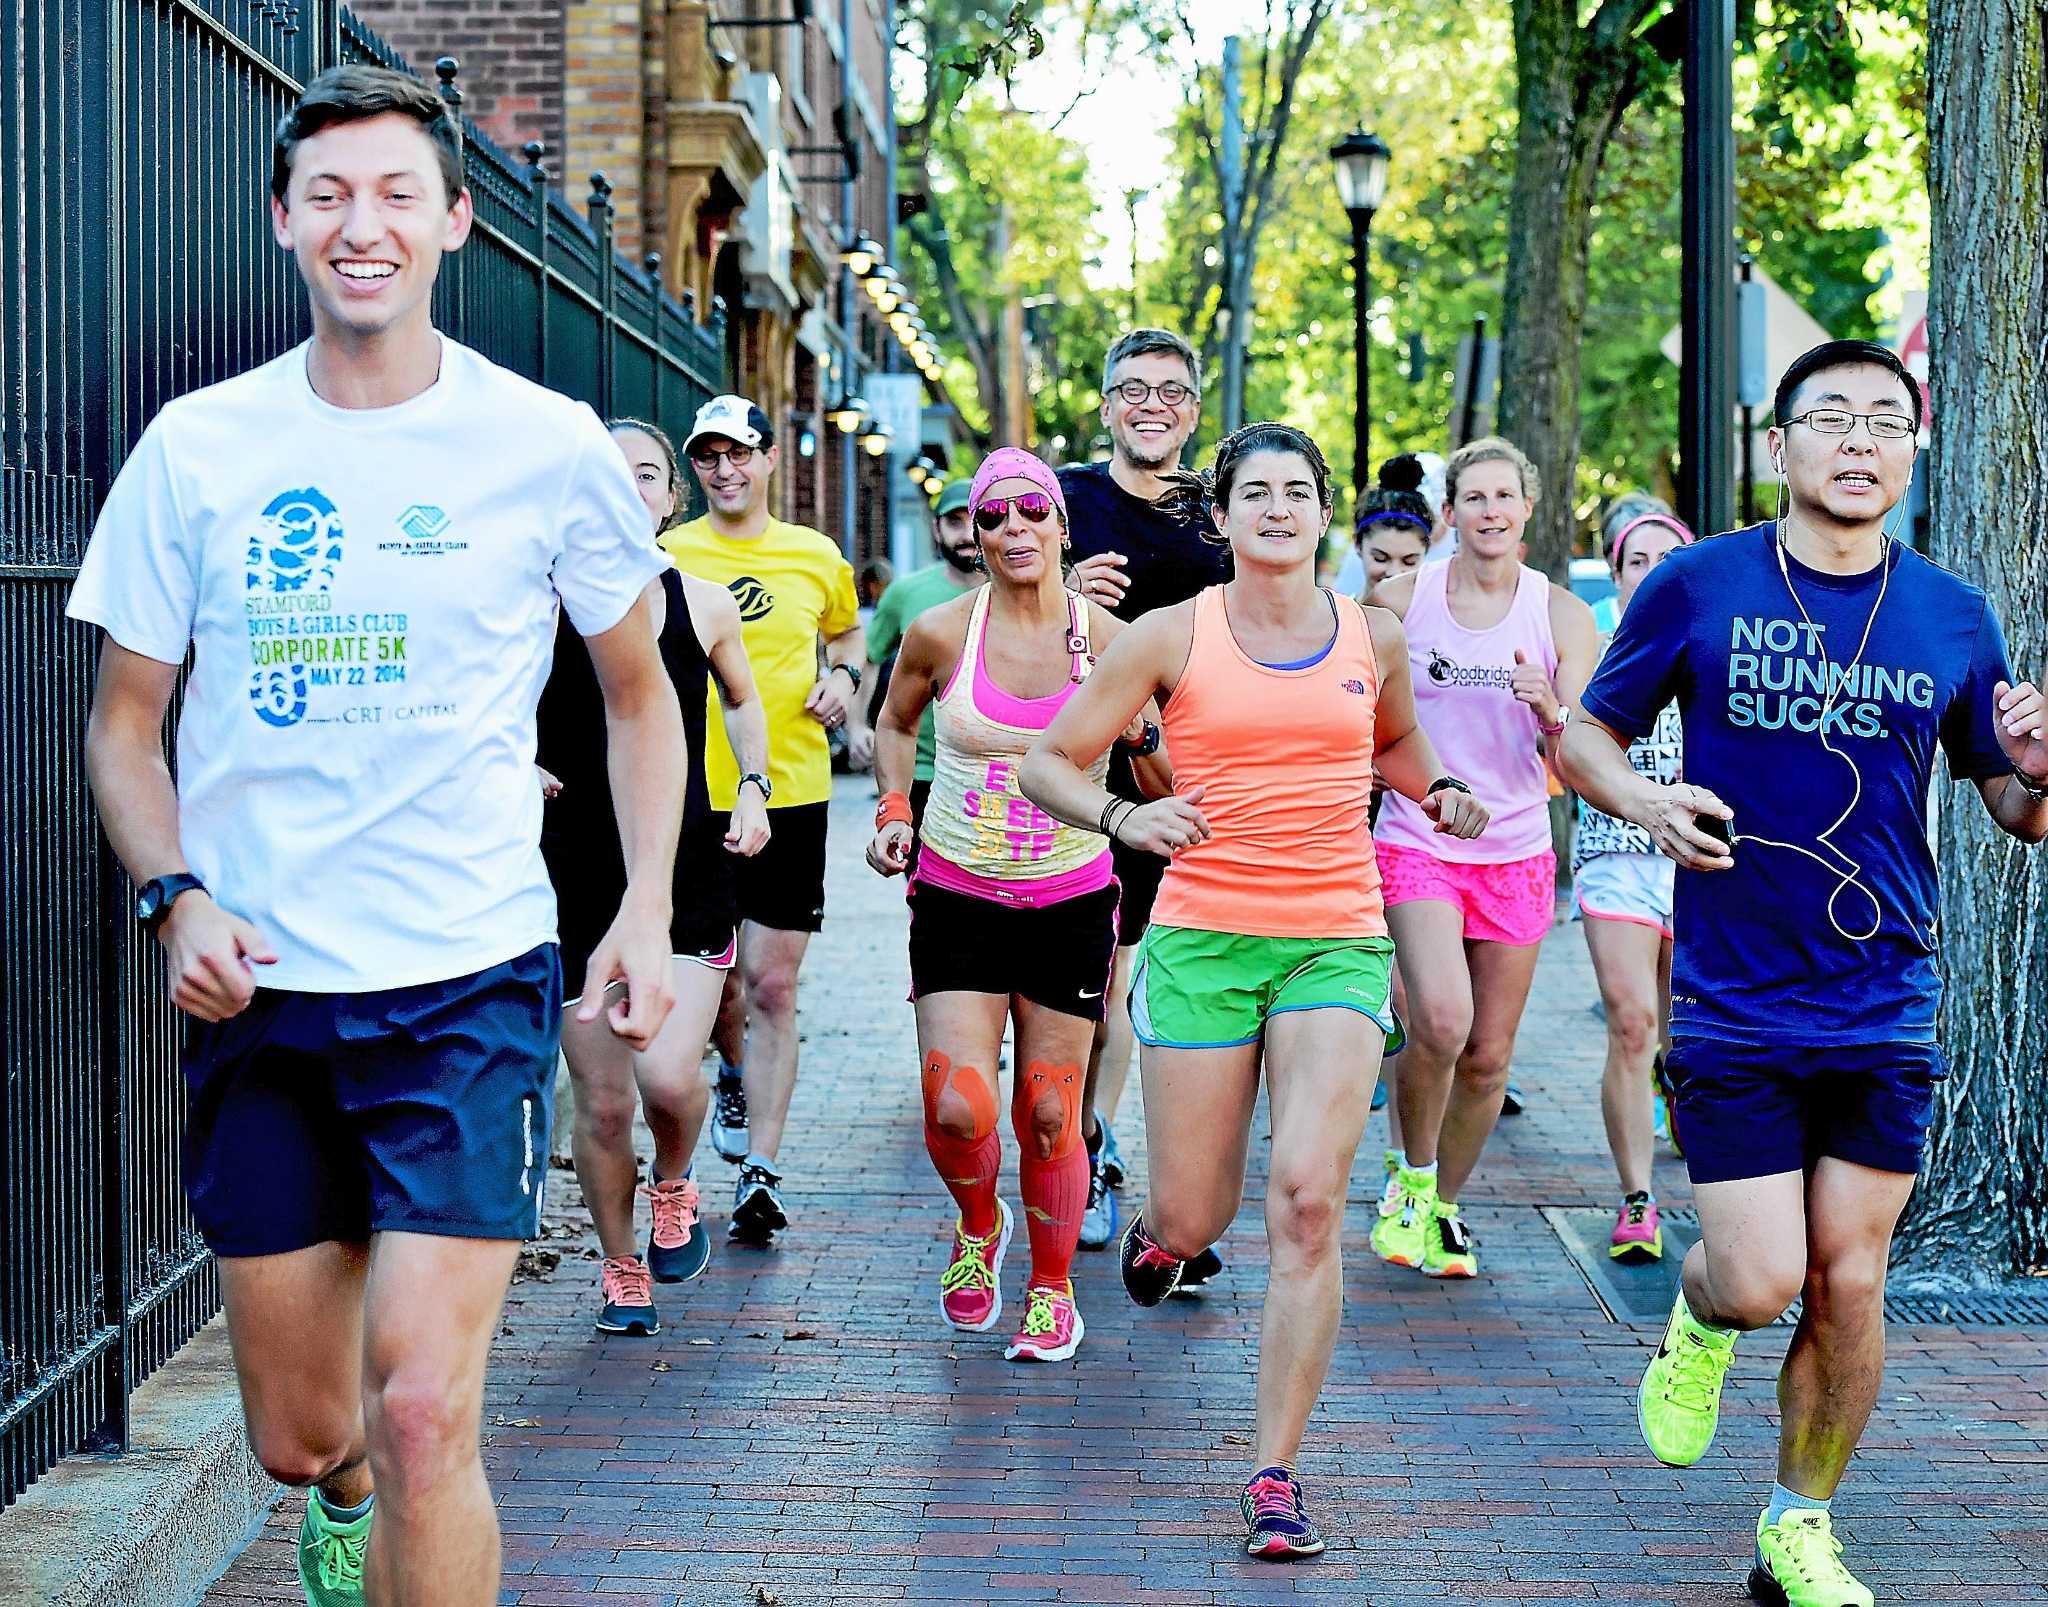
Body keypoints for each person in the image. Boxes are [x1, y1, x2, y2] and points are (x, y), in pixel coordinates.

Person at [66, 66, 685, 1607]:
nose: (365, 225)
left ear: (456, 221)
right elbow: (124, 724)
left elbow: (639, 696)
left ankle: (392, 1490)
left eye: (399, 192)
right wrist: (174, 893)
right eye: (330, 194)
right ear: (283, 219)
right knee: (306, 1431)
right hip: (262, 986)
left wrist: (645, 906)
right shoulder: (198, 449)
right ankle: (338, 1487)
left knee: (426, 1410)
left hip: (469, 975)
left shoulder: (544, 446)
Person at [1558, 338, 2046, 1607]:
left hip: (1885, 993)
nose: (1856, 439)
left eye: (1883, 419)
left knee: (1850, 1275)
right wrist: (1648, 801)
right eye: (1827, 416)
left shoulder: (1950, 611)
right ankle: (1701, 1309)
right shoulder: (1699, 585)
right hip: (1732, 995)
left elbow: (2009, 802)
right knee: (1764, 1275)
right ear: (1777, 447)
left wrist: (2036, 765)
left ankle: (1798, 1519)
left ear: (1909, 450)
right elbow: (1584, 735)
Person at [1021, 422, 1489, 1560]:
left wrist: (1444, 793)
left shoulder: (1370, 636)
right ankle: (1159, 1234)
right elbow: (1048, 761)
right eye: (1254, 493)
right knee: (1198, 1214)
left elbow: (1394, 747)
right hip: (1201, 939)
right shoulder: (1167, 636)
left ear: (1323, 512)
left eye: (1296, 492)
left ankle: (1273, 1471)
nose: (1276, 509)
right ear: (1220, 516)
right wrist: (1129, 817)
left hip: (1332, 937)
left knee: (1307, 1204)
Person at [867, 448, 1166, 1363]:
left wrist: (1141, 726)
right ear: (975, 535)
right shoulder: (940, 634)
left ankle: (1051, 1286)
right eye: (991, 517)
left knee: (1048, 1112)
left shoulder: (1114, 641)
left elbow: (1160, 778)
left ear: (1060, 524)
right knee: (958, 1105)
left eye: (1030, 510)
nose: (1011, 529)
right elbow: (894, 722)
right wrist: (890, 811)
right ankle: (975, 1226)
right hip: (957, 893)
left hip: (1071, 900)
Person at [538, 419, 772, 1336]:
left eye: (646, 475)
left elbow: (745, 701)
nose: (628, 489)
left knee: (671, 1077)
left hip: (682, 863)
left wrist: (753, 786)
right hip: (570, 872)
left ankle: (674, 1180)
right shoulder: (533, 604)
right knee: (599, 1101)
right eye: (608, 474)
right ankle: (621, 1263)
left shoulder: (704, 601)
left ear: (671, 499)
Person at [1367, 436, 1599, 1279]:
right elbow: (1356, 711)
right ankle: (1412, 1176)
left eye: (1506, 496)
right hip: (1418, 836)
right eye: (1475, 497)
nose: (1491, 511)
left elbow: (1586, 759)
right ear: (1450, 512)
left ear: (1528, 508)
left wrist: (1553, 713)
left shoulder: (1562, 615)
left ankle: (1440, 1205)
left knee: (1489, 1054)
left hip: (1517, 850)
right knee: (1440, 1017)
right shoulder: (1401, 598)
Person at [659, 395, 863, 1244]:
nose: (725, 471)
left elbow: (849, 640)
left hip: (791, 789)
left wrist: (846, 682)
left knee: (774, 983)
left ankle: (759, 1171)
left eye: (739, 454)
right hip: (680, 794)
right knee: (720, 985)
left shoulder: (815, 555)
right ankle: (733, 1069)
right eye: (707, 457)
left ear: (770, 459)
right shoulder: (665, 552)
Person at [1058, 327, 1232, 1259]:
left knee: (1157, 979)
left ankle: (1116, 1151)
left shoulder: (1222, 514)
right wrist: (1065, 589)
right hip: (1081, 775)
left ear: (1193, 410)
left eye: (1170, 390)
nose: (1151, 405)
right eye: (1133, 389)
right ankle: (1083, 1142)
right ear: (1107, 405)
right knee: (1103, 978)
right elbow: (1000, 616)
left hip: (1192, 778)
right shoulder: (1068, 501)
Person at [1570, 507, 1693, 1262]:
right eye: (1635, 560)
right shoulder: (1597, 646)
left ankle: (1678, 1094)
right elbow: (1570, 741)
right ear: (1617, 576)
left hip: (1698, 858)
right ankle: (1637, 1199)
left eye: (1664, 558)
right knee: (1631, 1023)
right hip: (1616, 850)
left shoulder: (1722, 640)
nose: (1649, 571)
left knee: (1686, 1036)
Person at [851, 477, 983, 828]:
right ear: (936, 529)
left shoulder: (1021, 592)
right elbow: (870, 657)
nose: (967, 533)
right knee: (924, 879)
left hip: (995, 770)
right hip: (922, 769)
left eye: (976, 519)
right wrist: (856, 725)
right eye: (955, 522)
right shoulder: (905, 594)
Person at [1334, 451, 1439, 596]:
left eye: (1409, 562)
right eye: (1380, 559)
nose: (1394, 573)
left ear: (1427, 548)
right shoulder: (1339, 616)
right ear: (1358, 543)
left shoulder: (1437, 617)